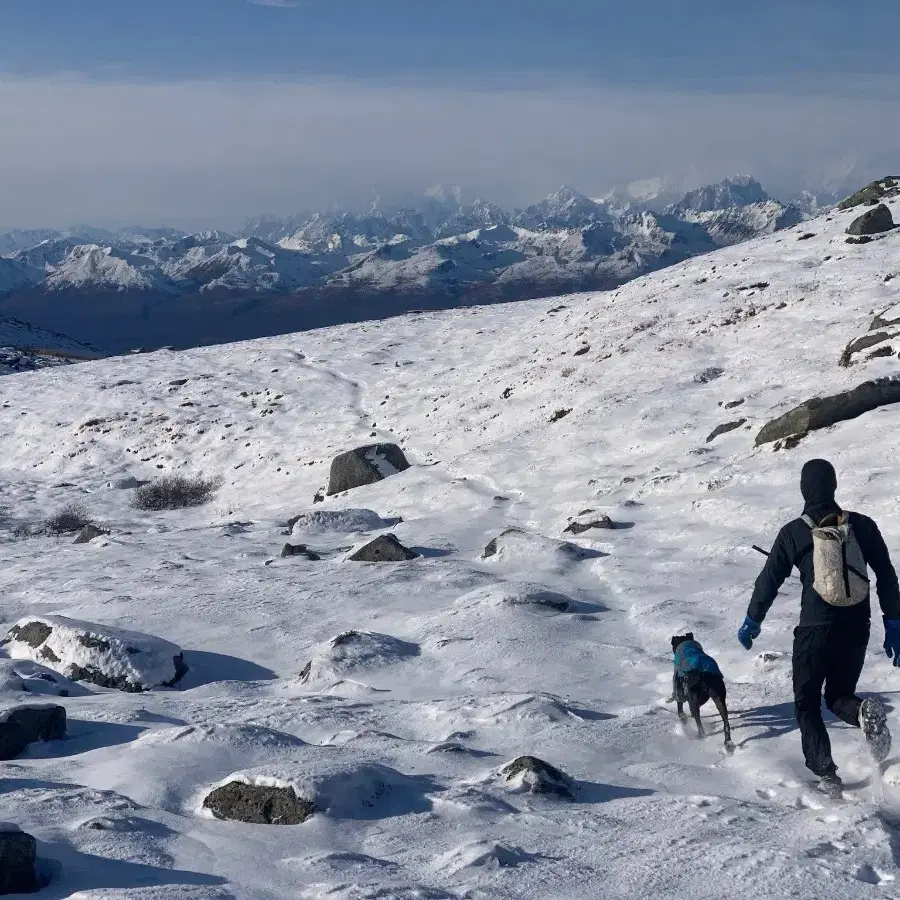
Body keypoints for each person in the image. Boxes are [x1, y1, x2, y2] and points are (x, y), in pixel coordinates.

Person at [737, 458, 900, 796]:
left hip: (814, 629)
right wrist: (894, 622)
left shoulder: (794, 532)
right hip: (857, 626)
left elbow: (768, 581)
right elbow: (886, 574)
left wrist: (753, 621)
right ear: (834, 485)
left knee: (807, 702)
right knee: (839, 695)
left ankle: (826, 773)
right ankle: (860, 712)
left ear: (804, 489)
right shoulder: (862, 526)